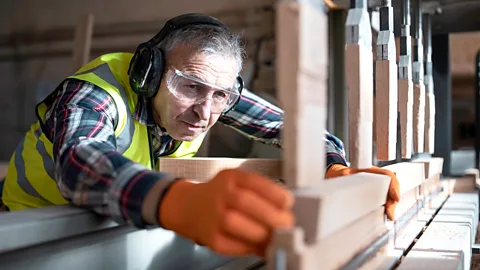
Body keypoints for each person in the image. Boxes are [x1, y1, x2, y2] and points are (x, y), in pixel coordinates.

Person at [0, 13, 399, 257]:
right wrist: (174, 200)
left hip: (114, 223)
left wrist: (332, 167)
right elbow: (80, 164)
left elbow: (299, 131)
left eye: (219, 96)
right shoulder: (94, 93)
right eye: (189, 88)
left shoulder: (213, 90)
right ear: (149, 73)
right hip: (30, 236)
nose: (205, 112)